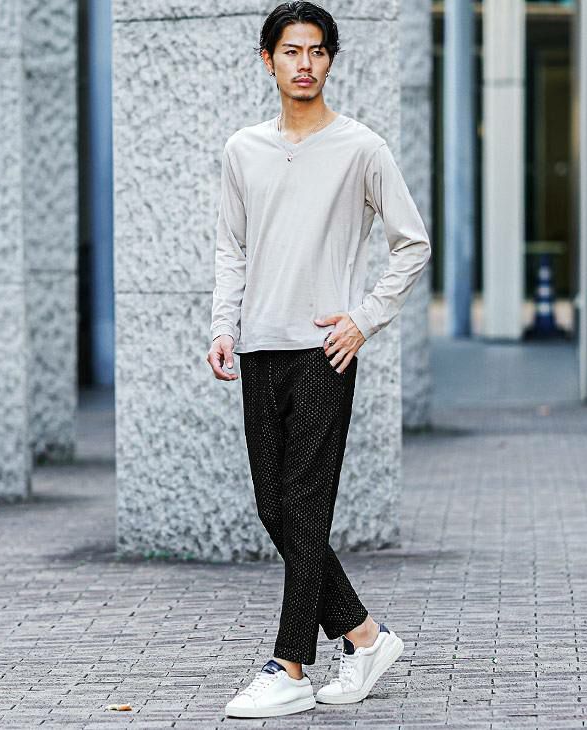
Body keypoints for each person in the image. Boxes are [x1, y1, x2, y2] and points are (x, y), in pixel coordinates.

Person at [205, 0, 431, 719]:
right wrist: (223, 325)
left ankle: (290, 665)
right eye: (291, 51)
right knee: (275, 507)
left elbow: (412, 243)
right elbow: (232, 248)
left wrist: (364, 319)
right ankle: (363, 636)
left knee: (303, 504)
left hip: (323, 351)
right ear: (267, 60)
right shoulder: (243, 149)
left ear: (330, 60)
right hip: (260, 347)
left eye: (317, 51)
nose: (304, 64)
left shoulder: (361, 148)